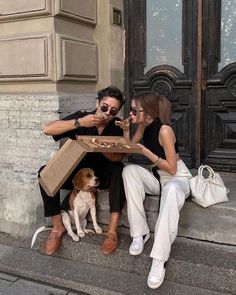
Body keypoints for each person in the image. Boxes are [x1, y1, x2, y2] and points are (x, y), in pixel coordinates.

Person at [38, 86, 126, 256]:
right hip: (77, 175)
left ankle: (112, 231)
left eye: (113, 111)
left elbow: (119, 157)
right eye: (104, 107)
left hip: (101, 175)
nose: (107, 113)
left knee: (119, 169)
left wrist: (100, 145)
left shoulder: (116, 126)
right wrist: (79, 123)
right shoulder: (82, 117)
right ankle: (57, 228)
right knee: (44, 172)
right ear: (97, 103)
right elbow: (47, 129)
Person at [122, 92, 192, 289]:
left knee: (170, 190)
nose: (132, 113)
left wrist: (146, 152)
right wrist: (127, 130)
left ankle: (159, 259)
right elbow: (128, 149)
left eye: (136, 111)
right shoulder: (144, 125)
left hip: (177, 179)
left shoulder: (165, 131)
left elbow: (172, 168)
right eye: (131, 110)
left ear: (149, 112)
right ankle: (139, 233)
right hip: (158, 177)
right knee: (129, 171)